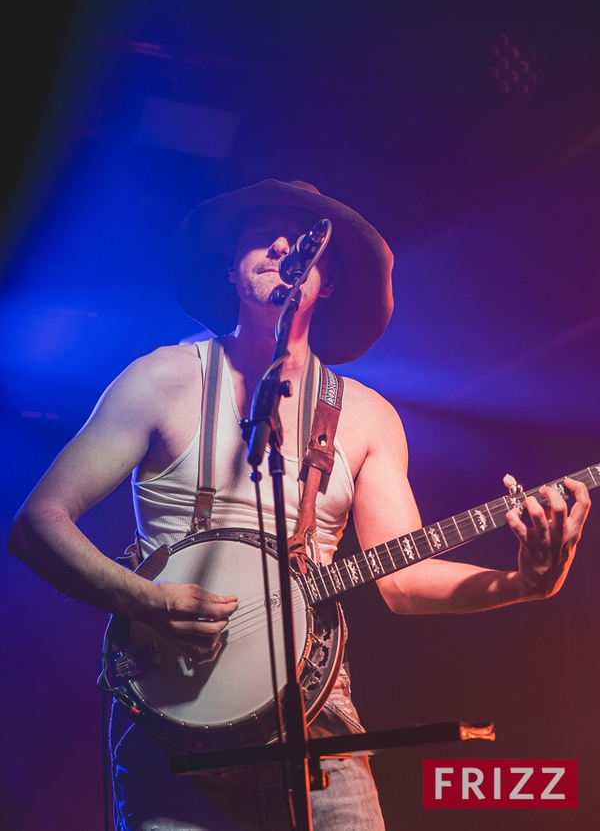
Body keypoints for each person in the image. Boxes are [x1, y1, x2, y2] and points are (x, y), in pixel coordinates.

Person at [9, 179, 591, 831]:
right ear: (230, 267)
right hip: (174, 727)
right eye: (264, 233)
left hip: (319, 723)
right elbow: (37, 525)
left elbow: (400, 580)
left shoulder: (369, 417)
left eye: (306, 241)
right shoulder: (161, 378)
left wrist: (524, 583)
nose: (285, 245)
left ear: (328, 283)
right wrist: (147, 599)